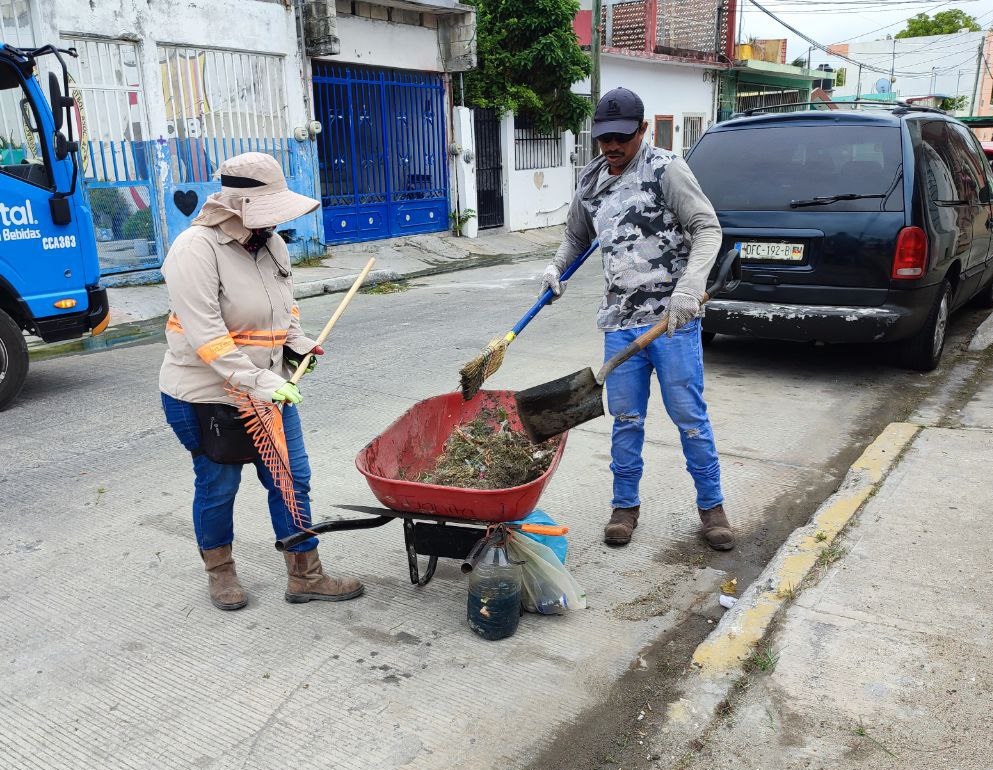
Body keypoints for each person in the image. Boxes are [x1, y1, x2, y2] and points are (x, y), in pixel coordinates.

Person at [159, 152, 364, 610]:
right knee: (218, 486)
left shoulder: (273, 244)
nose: (273, 224)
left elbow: (283, 311)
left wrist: (299, 344)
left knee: (293, 480)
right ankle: (220, 573)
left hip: (269, 389)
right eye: (265, 213)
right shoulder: (195, 250)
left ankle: (305, 575)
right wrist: (260, 381)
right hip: (206, 395)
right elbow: (207, 338)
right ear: (237, 206)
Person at [539, 88, 734, 551]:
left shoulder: (667, 169)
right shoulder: (590, 182)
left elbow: (708, 229)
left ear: (642, 131)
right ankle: (624, 507)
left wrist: (688, 290)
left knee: (690, 418)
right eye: (604, 138)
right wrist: (556, 269)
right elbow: (575, 236)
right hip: (619, 323)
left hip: (672, 322)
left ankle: (712, 508)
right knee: (626, 420)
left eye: (622, 137)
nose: (612, 147)